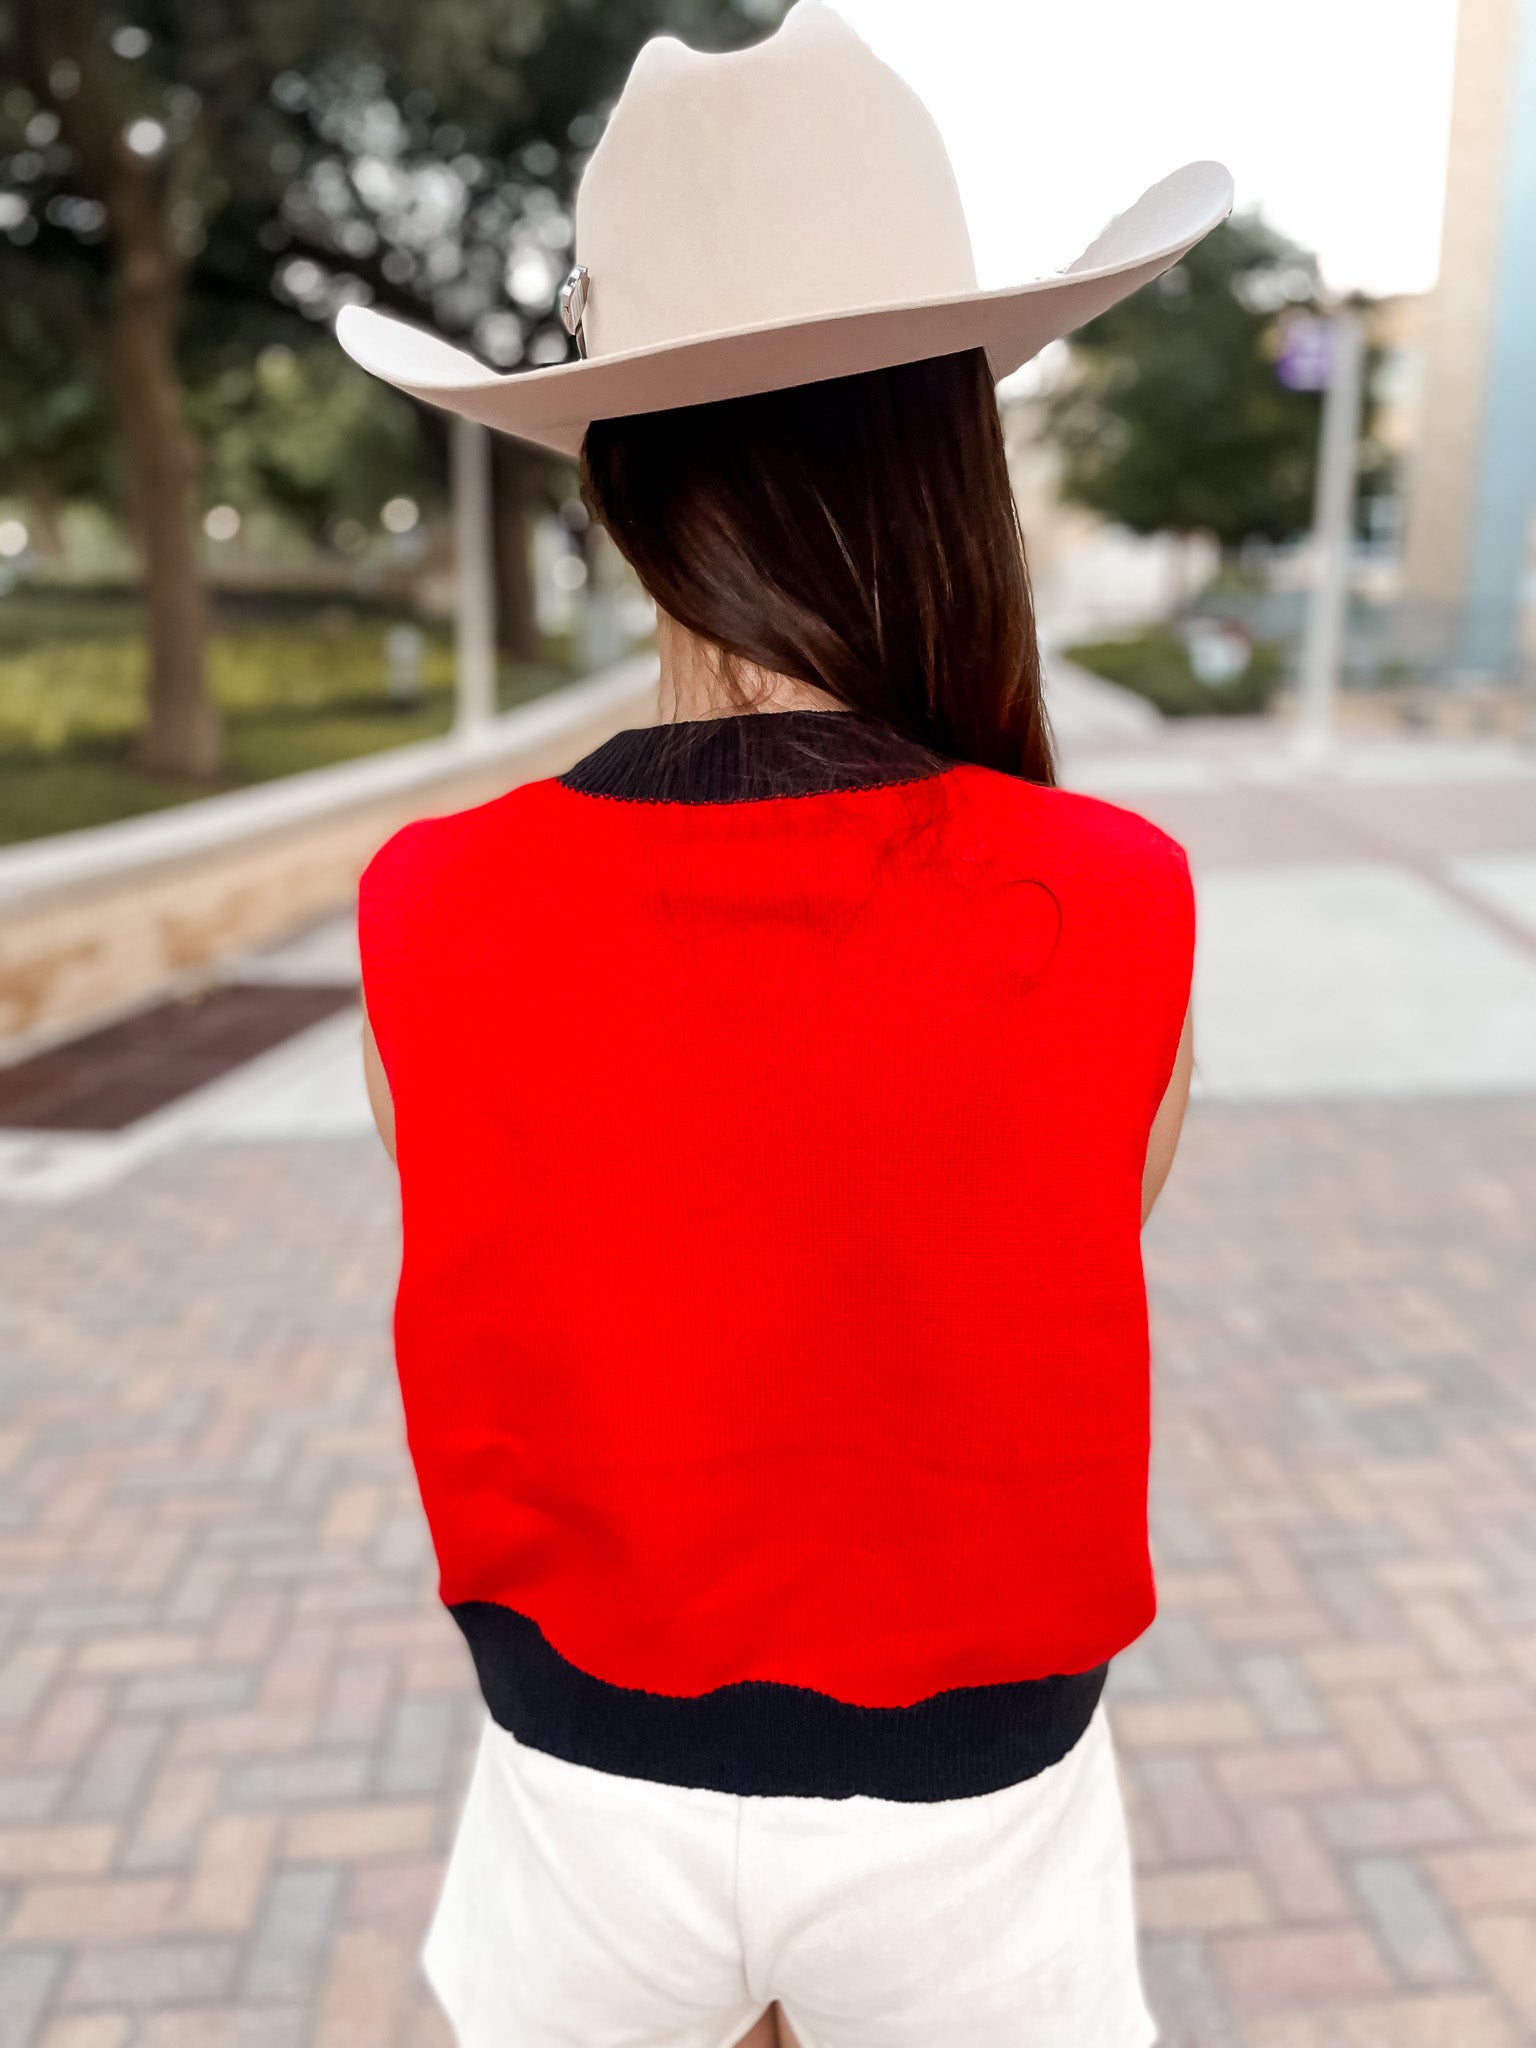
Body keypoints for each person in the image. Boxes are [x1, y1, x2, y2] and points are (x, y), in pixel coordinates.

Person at [341, 6, 1230, 2044]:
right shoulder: (1119, 899)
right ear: (953, 455)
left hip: (586, 1788)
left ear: (621, 488)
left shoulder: (427, 903)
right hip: (973, 1811)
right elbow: (1019, 1261)